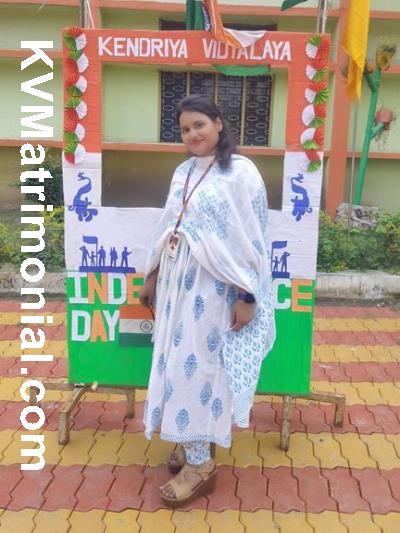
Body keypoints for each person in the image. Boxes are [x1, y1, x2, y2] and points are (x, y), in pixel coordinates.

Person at [139, 94, 276, 507]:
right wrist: (152, 275)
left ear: (218, 123)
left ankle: (201, 466)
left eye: (199, 124)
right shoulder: (183, 171)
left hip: (215, 290)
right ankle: (188, 439)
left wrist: (247, 294)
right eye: (185, 129)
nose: (192, 134)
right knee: (175, 364)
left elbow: (252, 239)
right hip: (177, 285)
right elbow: (169, 224)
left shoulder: (241, 173)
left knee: (199, 370)